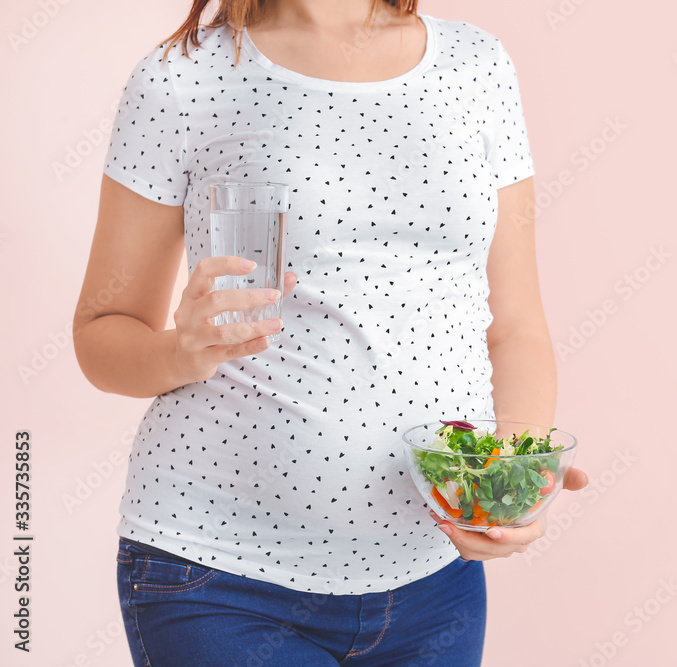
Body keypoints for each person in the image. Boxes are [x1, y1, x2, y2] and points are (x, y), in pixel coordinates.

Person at [73, 0, 588, 664]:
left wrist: (507, 484)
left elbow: (516, 325)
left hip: (435, 583)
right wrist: (179, 349)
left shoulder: (476, 66)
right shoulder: (184, 78)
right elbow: (100, 332)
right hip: (220, 579)